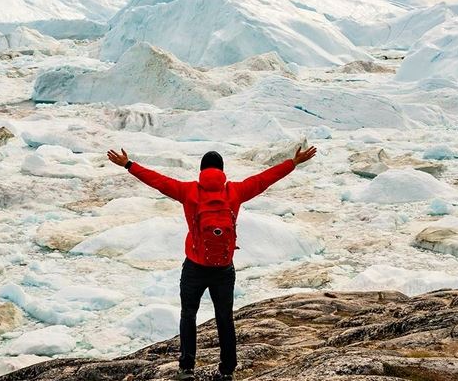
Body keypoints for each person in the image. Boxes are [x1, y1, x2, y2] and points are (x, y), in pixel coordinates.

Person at [106, 145, 317, 381]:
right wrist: (293, 162)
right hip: (223, 269)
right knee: (224, 318)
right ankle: (227, 371)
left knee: (188, 315)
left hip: (195, 266)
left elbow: (158, 181)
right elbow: (263, 179)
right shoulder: (234, 192)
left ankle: (186, 369)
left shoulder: (188, 192)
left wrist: (128, 165)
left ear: (201, 170)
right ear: (222, 170)